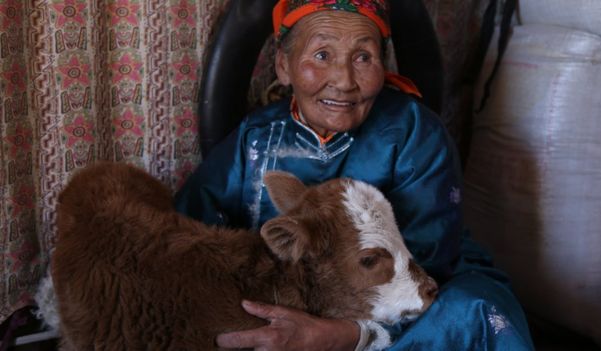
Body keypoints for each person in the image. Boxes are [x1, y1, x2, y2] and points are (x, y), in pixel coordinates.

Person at [175, 0, 535, 350]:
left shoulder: (414, 132)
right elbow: (193, 226)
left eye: (363, 57)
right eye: (322, 55)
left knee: (472, 311)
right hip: (291, 293)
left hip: (410, 290)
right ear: (284, 66)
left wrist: (345, 333)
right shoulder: (255, 138)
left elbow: (431, 260)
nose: (344, 80)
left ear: (383, 64)